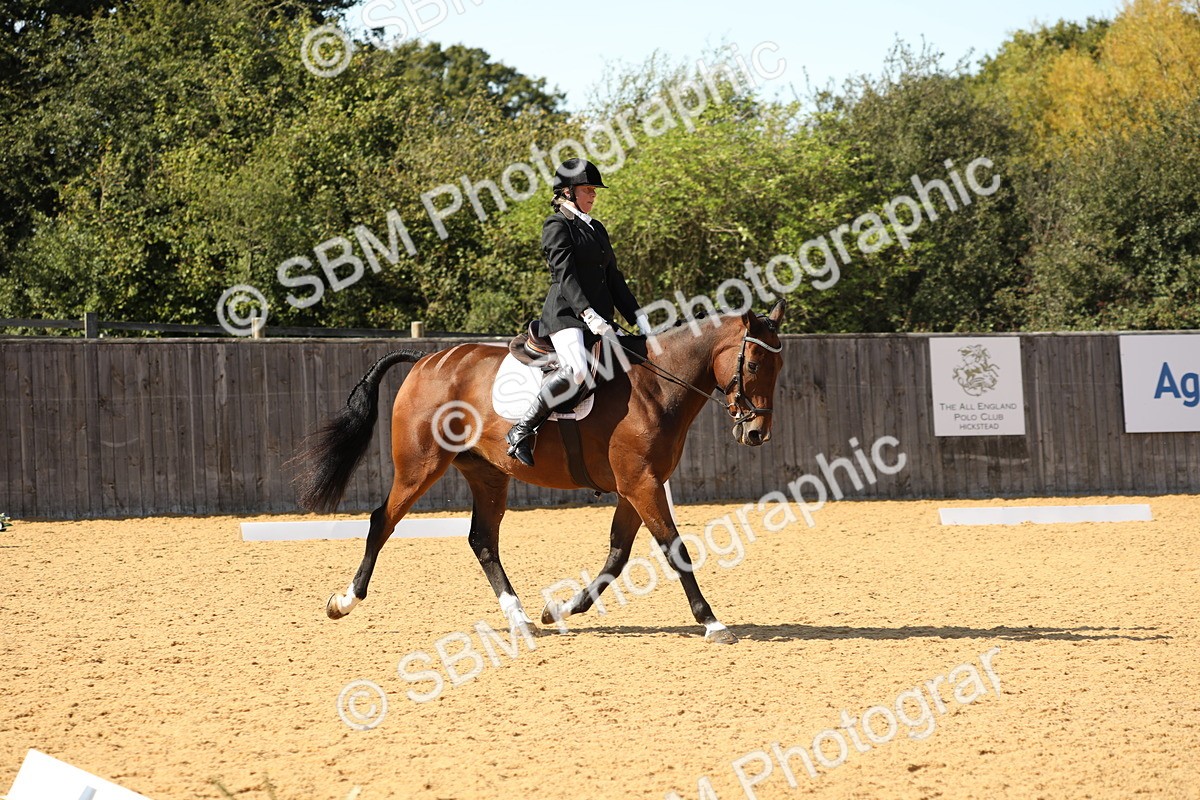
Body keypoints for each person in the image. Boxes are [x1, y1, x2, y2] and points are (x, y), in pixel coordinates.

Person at [505, 158, 652, 467]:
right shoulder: (556, 224)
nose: (593, 196)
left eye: (594, 191)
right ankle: (521, 430)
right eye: (588, 190)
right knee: (578, 371)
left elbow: (613, 278)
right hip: (567, 316)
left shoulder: (596, 228)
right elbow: (565, 274)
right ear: (568, 192)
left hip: (599, 320)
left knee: (632, 363)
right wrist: (588, 314)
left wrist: (639, 317)